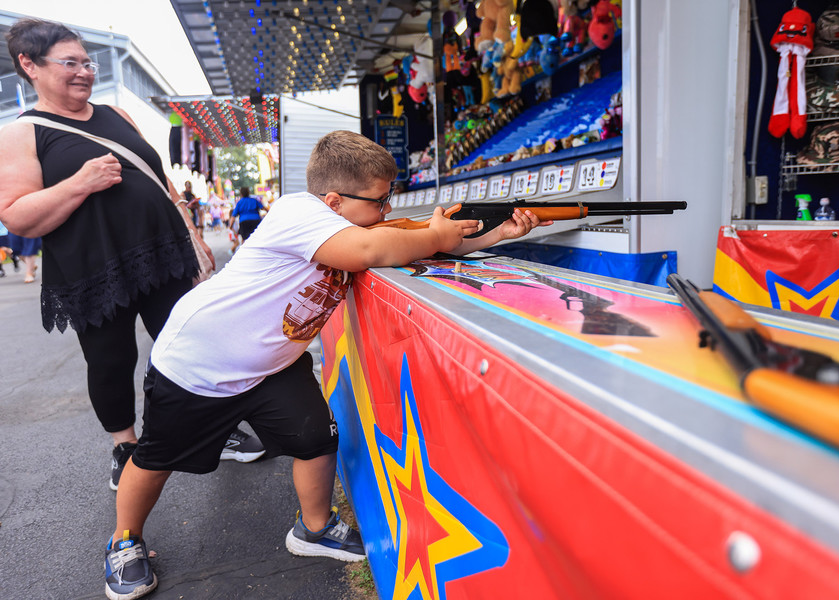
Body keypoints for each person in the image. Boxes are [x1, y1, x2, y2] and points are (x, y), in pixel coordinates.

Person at [103, 130, 550, 599]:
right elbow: (372, 251)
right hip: (201, 364)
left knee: (316, 439)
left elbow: (419, 246)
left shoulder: (352, 224)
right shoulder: (299, 211)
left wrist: (497, 233)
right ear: (334, 200)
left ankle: (313, 529)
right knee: (155, 459)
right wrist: (432, 233)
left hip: (275, 363)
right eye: (379, 202)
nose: (387, 212)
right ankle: (124, 540)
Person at [0, 18, 264, 492]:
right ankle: (126, 446)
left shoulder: (116, 116)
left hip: (161, 251)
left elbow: (160, 181)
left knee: (190, 343)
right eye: (70, 63)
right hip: (93, 267)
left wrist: (191, 231)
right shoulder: (21, 135)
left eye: (87, 62)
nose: (84, 71)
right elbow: (17, 216)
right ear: (29, 65)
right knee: (110, 360)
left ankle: (212, 428)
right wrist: (80, 182)